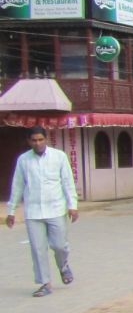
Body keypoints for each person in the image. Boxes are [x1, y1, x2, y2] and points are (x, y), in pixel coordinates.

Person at [6, 125, 79, 298]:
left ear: (46, 139)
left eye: (40, 139)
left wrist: (72, 205)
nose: (38, 143)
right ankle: (45, 283)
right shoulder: (24, 160)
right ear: (29, 141)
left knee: (59, 246)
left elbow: (68, 182)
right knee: (38, 249)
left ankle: (63, 266)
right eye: (34, 140)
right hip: (33, 212)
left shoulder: (59, 157)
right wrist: (11, 210)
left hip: (55, 209)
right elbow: (17, 186)